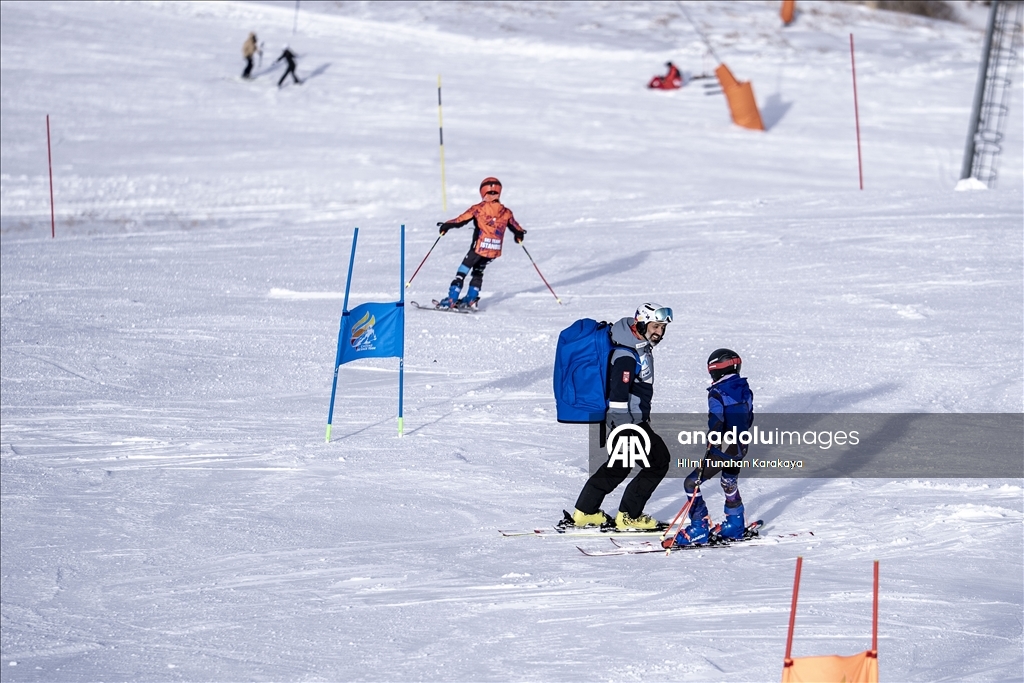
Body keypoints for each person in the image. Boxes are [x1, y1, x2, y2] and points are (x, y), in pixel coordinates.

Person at [568, 304, 674, 530]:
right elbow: (618, 396)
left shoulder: (638, 346)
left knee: (619, 466)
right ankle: (629, 516)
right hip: (629, 423)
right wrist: (626, 429)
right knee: (658, 462)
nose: (659, 332)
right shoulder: (626, 354)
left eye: (662, 327)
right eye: (655, 326)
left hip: (629, 421)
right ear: (641, 324)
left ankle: (585, 512)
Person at [675, 348, 754, 545]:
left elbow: (717, 421)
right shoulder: (745, 389)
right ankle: (735, 524)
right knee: (729, 482)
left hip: (725, 448)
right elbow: (749, 417)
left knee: (691, 483)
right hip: (741, 445)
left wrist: (713, 443)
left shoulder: (717, 393)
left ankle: (699, 527)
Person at [436, 177, 526, 310]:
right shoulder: (506, 212)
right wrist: (519, 235)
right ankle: (471, 299)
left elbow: (460, 220)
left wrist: (446, 226)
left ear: (483, 192)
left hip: (478, 248)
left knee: (462, 271)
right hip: (493, 250)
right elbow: (516, 228)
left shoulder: (478, 209)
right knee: (478, 271)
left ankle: (451, 299)